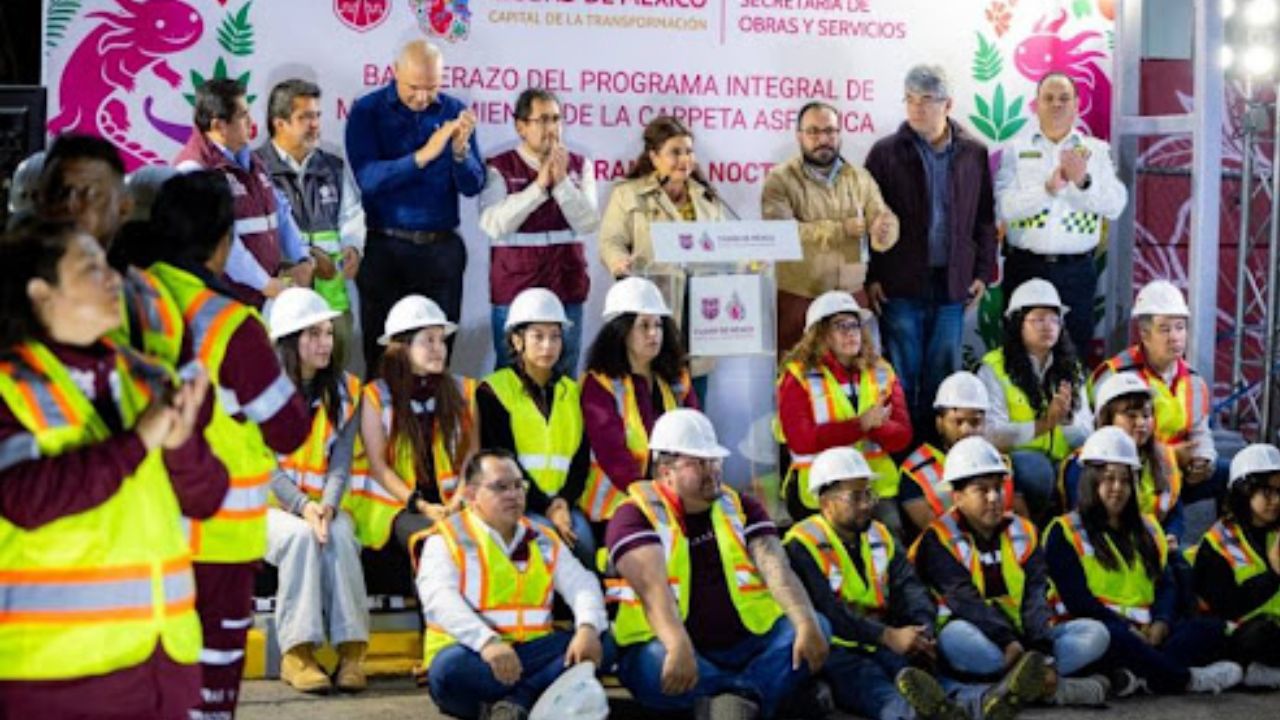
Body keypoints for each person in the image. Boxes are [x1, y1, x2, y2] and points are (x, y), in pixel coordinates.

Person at [0, 219, 225, 718]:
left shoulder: (149, 377)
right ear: (40, 292)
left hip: (163, 667)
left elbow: (205, 497)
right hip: (52, 677)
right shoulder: (8, 385)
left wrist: (182, 443)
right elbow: (24, 498)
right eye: (90, 269)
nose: (113, 280)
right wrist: (140, 440)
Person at [149, 172, 311, 718]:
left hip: (136, 535)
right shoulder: (228, 323)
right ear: (224, 241)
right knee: (209, 688)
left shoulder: (123, 299)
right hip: (214, 541)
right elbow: (288, 429)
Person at [786, 447, 1048, 720]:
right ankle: (920, 714)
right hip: (838, 648)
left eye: (868, 494)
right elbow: (828, 611)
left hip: (884, 640)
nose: (866, 504)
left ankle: (985, 702)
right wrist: (888, 635)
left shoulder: (880, 534)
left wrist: (921, 630)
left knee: (920, 676)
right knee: (873, 687)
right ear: (826, 502)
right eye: (855, 497)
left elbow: (910, 587)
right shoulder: (802, 542)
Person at [605, 409, 829, 719]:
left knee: (815, 626)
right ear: (665, 469)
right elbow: (652, 589)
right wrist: (678, 644)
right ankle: (761, 697)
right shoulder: (634, 515)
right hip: (670, 645)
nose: (711, 470)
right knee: (655, 664)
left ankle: (731, 701)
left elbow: (776, 567)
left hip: (747, 644)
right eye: (698, 463)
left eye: (714, 460)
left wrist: (804, 622)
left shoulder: (740, 506)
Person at [909, 437, 1111, 706]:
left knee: (1096, 634)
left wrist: (1041, 651)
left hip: (1024, 638)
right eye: (982, 490)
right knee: (955, 638)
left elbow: (1035, 595)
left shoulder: (1024, 530)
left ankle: (1016, 685)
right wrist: (1007, 642)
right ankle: (1046, 687)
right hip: (982, 637)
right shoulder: (938, 539)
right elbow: (964, 601)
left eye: (998, 488)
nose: (994, 498)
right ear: (957, 497)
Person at [1044, 427, 1242, 696]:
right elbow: (1079, 601)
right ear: (1090, 480)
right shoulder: (1063, 530)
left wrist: (1161, 622)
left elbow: (1165, 585)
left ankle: (1139, 677)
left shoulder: (1148, 528)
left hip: (1148, 633)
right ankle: (1184, 680)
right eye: (1108, 479)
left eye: (1126, 480)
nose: (1117, 488)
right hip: (1097, 631)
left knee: (1208, 629)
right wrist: (1127, 629)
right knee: (1112, 639)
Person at [418, 449, 607, 720]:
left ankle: (516, 703)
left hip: (532, 651)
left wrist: (587, 628)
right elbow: (440, 601)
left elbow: (583, 585)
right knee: (448, 670)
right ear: (471, 495)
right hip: (476, 657)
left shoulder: (542, 537)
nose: (514, 494)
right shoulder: (445, 539)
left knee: (602, 640)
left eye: (519, 486)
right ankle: (535, 696)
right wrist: (487, 643)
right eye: (500, 487)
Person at [864, 64, 998, 434]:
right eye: (909, 99)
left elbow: (985, 218)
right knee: (902, 375)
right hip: (900, 283)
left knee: (944, 377)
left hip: (953, 284)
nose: (916, 108)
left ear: (948, 104)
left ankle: (940, 455)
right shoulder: (885, 153)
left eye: (926, 99)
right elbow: (869, 221)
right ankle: (907, 455)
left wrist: (983, 273)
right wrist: (872, 276)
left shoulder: (973, 153)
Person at [345, 39, 484, 372]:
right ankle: (381, 423)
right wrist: (424, 155)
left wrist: (461, 155)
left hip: (441, 253)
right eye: (414, 88)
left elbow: (473, 185)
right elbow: (368, 178)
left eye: (432, 87)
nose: (423, 97)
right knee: (382, 360)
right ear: (394, 73)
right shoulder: (367, 111)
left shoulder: (453, 111)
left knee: (436, 360)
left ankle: (434, 422)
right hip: (384, 250)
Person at [264, 288, 371, 694]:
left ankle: (351, 652)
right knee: (298, 540)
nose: (326, 342)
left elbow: (341, 462)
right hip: (266, 507)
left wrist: (326, 506)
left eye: (328, 332)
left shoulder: (345, 390)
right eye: (313, 334)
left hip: (319, 505)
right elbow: (261, 465)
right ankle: (298, 654)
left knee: (342, 534)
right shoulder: (259, 391)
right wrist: (303, 506)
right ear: (289, 341)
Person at [995, 72, 1128, 360]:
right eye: (1049, 98)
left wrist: (1082, 183)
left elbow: (1115, 204)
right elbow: (1003, 207)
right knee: (1019, 353)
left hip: (1076, 272)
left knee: (1073, 352)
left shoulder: (1096, 150)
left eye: (1064, 98)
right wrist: (1047, 190)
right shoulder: (1017, 151)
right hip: (1024, 266)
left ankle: (1069, 406)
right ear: (1036, 104)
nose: (1056, 104)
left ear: (1077, 105)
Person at [597, 115, 729, 402]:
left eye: (689, 151)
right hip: (652, 311)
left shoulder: (707, 199)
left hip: (700, 317)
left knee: (693, 404)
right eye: (675, 152)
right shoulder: (628, 194)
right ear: (654, 157)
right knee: (650, 403)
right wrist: (619, 262)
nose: (685, 159)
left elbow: (724, 250)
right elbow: (610, 241)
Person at [348, 294, 476, 566]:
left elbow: (472, 456)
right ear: (402, 347)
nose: (438, 348)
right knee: (435, 544)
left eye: (441, 339)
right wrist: (422, 506)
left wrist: (458, 501)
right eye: (428, 340)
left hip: (453, 502)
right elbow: (378, 467)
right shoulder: (375, 395)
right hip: (398, 504)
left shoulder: (464, 390)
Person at [35, 134, 185, 366]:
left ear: (124, 209)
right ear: (39, 201)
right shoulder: (10, 285)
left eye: (91, 195)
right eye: (60, 192)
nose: (71, 205)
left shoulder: (148, 301)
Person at [761, 101, 900, 351]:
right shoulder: (780, 180)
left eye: (830, 132)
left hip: (852, 297)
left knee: (855, 380)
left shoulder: (860, 177)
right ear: (799, 135)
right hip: (799, 297)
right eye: (814, 132)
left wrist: (884, 230)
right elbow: (780, 234)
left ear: (839, 134)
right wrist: (840, 230)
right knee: (797, 379)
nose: (823, 139)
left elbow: (883, 217)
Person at [479, 88, 599, 375]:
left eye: (557, 119)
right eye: (543, 120)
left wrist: (561, 184)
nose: (552, 128)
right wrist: (538, 188)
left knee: (564, 368)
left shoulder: (579, 165)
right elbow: (493, 224)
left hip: (565, 279)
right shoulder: (499, 166)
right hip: (515, 281)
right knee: (511, 370)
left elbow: (588, 221)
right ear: (521, 126)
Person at [477, 288, 595, 569]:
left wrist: (563, 503)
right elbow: (503, 459)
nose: (548, 346)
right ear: (517, 341)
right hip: (516, 502)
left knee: (585, 546)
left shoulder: (572, 392)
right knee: (544, 543)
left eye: (555, 336)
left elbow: (580, 459)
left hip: (563, 503)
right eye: (538, 336)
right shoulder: (494, 390)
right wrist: (547, 506)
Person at [174, 78, 312, 309]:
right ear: (219, 126)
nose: (252, 122)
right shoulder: (194, 170)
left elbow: (280, 211)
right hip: (222, 303)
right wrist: (265, 283)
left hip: (263, 299)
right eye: (243, 115)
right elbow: (219, 241)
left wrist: (302, 258)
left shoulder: (252, 160)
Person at [776, 290, 911, 527]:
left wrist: (875, 427)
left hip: (873, 486)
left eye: (854, 325)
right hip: (820, 489)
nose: (851, 333)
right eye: (840, 326)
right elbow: (802, 441)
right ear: (820, 334)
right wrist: (862, 425)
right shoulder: (797, 376)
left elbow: (902, 437)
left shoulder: (882, 371)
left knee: (891, 541)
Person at [257, 79, 365, 371]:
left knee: (332, 383)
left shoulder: (333, 166)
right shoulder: (257, 170)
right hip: (282, 302)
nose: (315, 124)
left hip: (331, 302)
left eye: (317, 115)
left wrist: (354, 246)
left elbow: (352, 214)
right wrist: (308, 256)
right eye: (305, 117)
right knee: (284, 382)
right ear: (279, 123)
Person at [1089, 280, 1222, 511]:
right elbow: (1102, 441)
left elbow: (1201, 431)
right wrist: (1169, 456)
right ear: (1144, 334)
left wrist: (1204, 460)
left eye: (1180, 327)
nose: (1175, 337)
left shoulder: (1194, 381)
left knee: (1235, 476)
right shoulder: (1115, 375)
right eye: (1165, 329)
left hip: (1179, 470)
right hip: (1130, 473)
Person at [579, 277, 697, 526]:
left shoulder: (677, 378)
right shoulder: (599, 384)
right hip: (618, 507)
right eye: (643, 326)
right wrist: (654, 499)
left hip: (673, 499)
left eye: (658, 325)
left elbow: (695, 438)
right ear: (621, 331)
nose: (654, 334)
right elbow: (612, 455)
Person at [978, 279, 1091, 523]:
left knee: (1088, 468)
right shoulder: (994, 367)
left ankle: (1076, 532)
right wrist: (1043, 425)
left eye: (1054, 319)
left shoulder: (1072, 368)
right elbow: (990, 433)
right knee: (1035, 468)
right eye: (1038, 319)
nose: (1048, 327)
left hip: (1063, 461)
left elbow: (1087, 435)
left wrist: (1066, 419)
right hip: (1018, 462)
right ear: (1018, 323)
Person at [1058, 372, 1184, 543]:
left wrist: (1171, 535)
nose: (1141, 423)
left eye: (1146, 415)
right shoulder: (1083, 463)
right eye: (1131, 415)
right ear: (1107, 418)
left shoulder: (1163, 459)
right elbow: (1087, 520)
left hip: (1154, 546)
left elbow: (1174, 509)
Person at [1194, 443, 1280, 689]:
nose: (1275, 501)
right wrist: (1274, 573)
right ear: (1244, 491)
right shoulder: (1217, 543)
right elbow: (1227, 605)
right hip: (1240, 635)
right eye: (1267, 492)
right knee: (1259, 634)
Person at [898, 372, 1020, 545]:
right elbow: (931, 534)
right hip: (948, 555)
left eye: (975, 422)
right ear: (939, 423)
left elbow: (1018, 524)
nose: (966, 431)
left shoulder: (1000, 462)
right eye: (958, 421)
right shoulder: (915, 470)